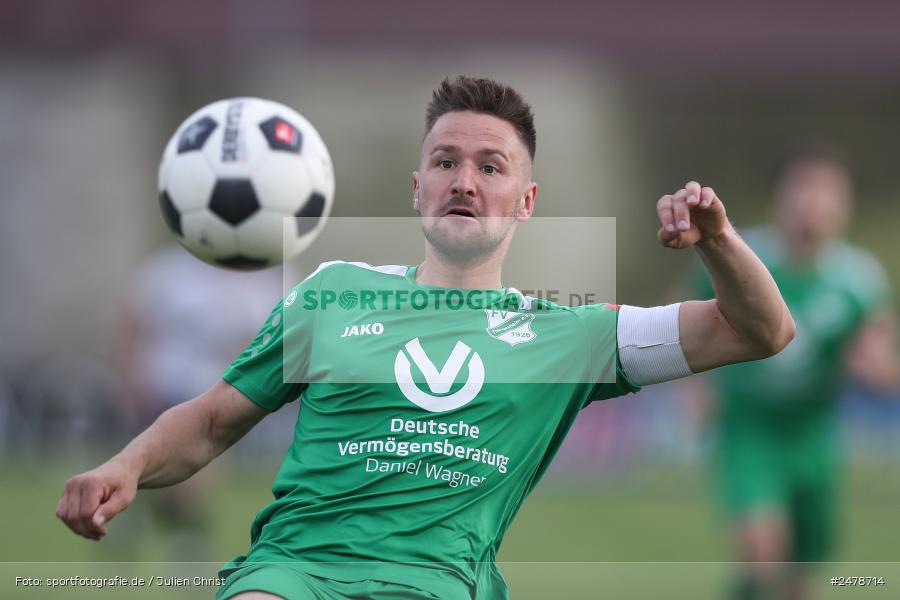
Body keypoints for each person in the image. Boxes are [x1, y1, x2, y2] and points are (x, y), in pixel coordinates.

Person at [57, 76, 796, 600]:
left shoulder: (571, 333)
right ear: (418, 189)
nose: (464, 180)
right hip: (294, 572)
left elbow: (760, 331)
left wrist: (720, 240)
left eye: (490, 166)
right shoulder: (333, 294)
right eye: (446, 162)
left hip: (439, 584)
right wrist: (126, 465)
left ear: (527, 201)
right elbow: (215, 418)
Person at [690, 145, 900, 600]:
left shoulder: (859, 279)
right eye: (803, 187)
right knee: (763, 552)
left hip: (812, 433)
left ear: (845, 207)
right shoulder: (740, 255)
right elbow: (688, 323)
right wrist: (696, 392)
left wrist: (871, 365)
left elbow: (882, 366)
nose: (813, 201)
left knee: (800, 570)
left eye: (827, 191)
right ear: (781, 197)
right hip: (748, 427)